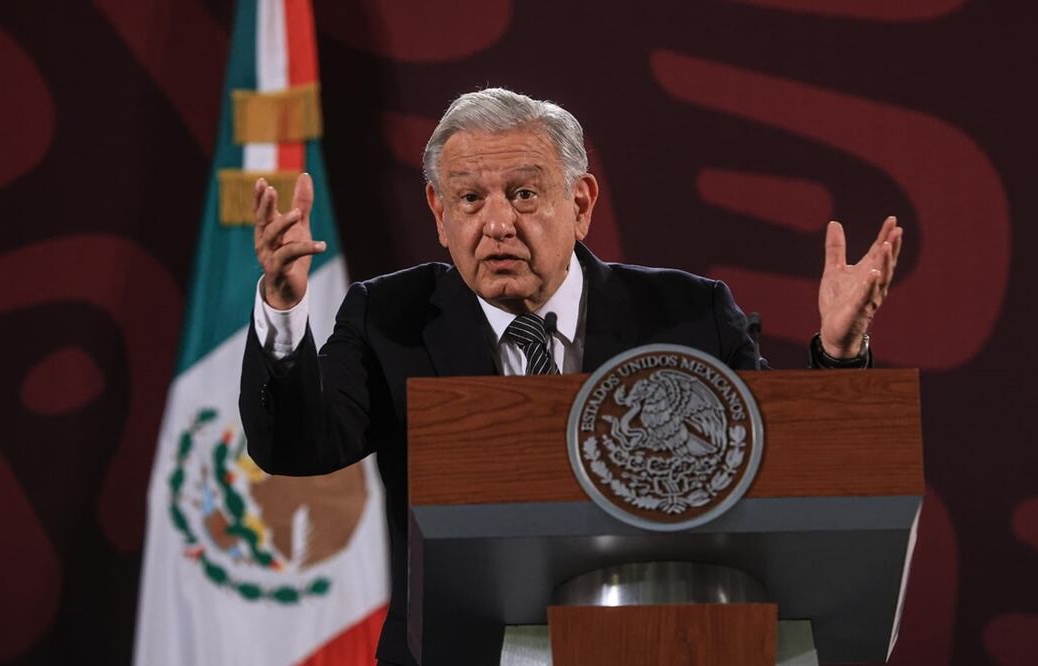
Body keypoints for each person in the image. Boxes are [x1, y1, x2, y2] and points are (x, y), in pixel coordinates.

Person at [239, 88, 902, 665]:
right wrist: (280, 308)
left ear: (580, 202)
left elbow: (776, 469)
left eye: (524, 194)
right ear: (439, 216)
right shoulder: (389, 317)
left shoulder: (686, 314)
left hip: (671, 645)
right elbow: (296, 446)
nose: (497, 223)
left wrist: (839, 356)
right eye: (469, 199)